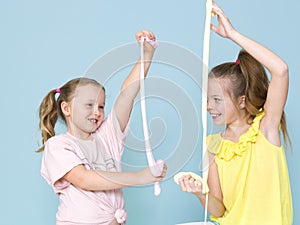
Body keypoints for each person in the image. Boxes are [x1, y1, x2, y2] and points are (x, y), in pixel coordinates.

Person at [177, 2, 293, 225]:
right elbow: (219, 209)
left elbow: (281, 70)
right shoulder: (212, 147)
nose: (209, 106)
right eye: (208, 100)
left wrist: (232, 34)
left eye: (217, 100)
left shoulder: (265, 128)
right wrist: (200, 192)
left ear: (241, 101)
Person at [37, 30, 167, 225]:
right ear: (67, 108)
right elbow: (84, 179)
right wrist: (140, 177)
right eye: (89, 105)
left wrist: (146, 56)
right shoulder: (58, 146)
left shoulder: (107, 136)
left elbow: (127, 94)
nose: (96, 112)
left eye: (101, 106)